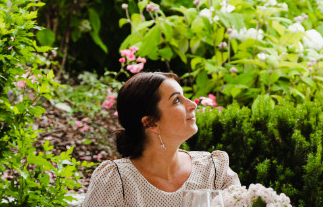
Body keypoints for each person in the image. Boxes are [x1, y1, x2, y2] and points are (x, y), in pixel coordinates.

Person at [83, 72, 240, 207]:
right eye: (176, 100)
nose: (193, 104)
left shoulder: (214, 170)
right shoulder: (116, 180)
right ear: (151, 123)